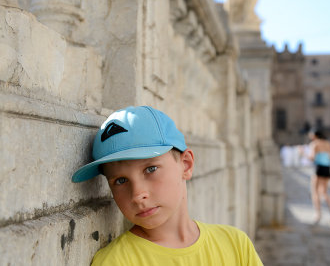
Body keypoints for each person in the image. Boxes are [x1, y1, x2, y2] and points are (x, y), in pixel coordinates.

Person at [72, 106, 263, 265]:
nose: (138, 195)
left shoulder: (235, 245)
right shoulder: (116, 262)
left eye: (151, 169)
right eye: (120, 181)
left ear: (186, 164)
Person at [308, 130, 330, 224]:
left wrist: (302, 152)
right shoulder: (328, 143)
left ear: (315, 135)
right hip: (327, 168)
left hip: (319, 168)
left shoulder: (314, 144)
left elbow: (311, 157)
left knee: (315, 192)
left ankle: (318, 214)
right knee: (324, 192)